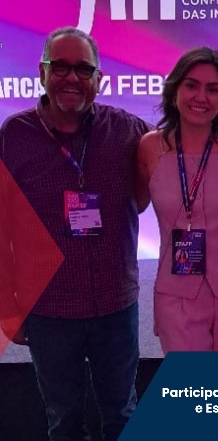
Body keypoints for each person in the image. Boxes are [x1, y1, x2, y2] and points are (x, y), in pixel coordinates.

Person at [0, 26, 150, 440]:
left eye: (83, 69)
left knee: (123, 415)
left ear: (99, 79)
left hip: (115, 306)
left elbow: (183, 152)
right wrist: (8, 308)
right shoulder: (13, 136)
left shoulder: (129, 131)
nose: (71, 78)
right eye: (60, 66)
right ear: (41, 72)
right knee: (63, 421)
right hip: (50, 311)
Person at [136, 46, 218, 352]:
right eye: (191, 85)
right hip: (175, 290)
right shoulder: (150, 148)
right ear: (175, 89)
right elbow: (135, 205)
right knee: (189, 380)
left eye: (212, 89)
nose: (201, 97)